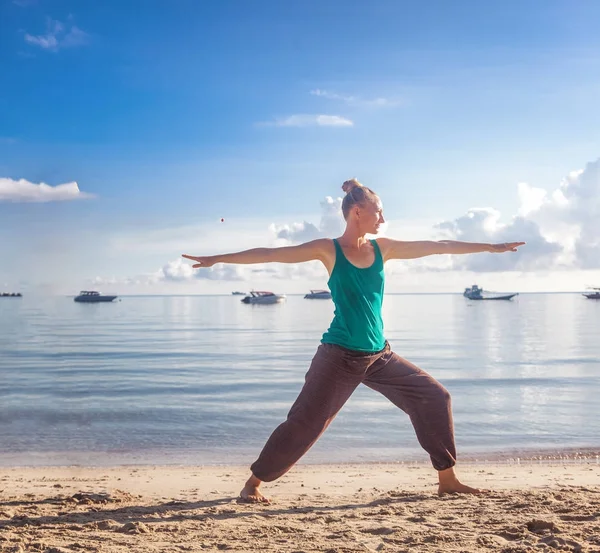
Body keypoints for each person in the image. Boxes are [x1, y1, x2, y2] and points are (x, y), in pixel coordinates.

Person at [182, 179, 525, 503]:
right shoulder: (328, 250)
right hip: (339, 356)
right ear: (357, 211)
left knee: (434, 397)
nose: (384, 219)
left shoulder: (384, 249)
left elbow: (440, 247)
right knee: (306, 423)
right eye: (379, 211)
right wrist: (216, 259)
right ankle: (253, 484)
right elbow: (271, 253)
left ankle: (447, 481)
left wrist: (491, 247)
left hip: (380, 356)